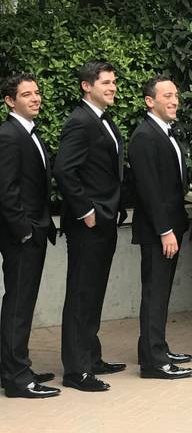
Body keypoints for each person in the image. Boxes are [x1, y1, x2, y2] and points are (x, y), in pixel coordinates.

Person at [54, 61, 127, 392]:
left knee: (94, 292)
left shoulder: (103, 119)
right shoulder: (80, 121)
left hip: (105, 220)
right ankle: (76, 370)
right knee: (82, 294)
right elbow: (64, 170)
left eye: (113, 82)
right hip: (88, 223)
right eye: (106, 82)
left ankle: (91, 356)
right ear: (87, 86)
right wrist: (86, 211)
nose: (112, 87)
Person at [127, 76, 192, 379]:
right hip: (159, 230)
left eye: (176, 95)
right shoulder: (144, 136)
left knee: (161, 292)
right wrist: (165, 230)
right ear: (149, 101)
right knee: (154, 293)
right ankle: (154, 362)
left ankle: (155, 348)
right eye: (167, 95)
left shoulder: (168, 133)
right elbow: (149, 189)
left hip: (171, 226)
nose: (174, 100)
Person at [0, 74, 59, 398]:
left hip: (33, 231)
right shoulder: (9, 135)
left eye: (37, 92)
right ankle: (17, 378)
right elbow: (6, 192)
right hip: (21, 236)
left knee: (21, 303)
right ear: (10, 101)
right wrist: (24, 232)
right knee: (19, 305)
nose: (36, 98)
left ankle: (13, 366)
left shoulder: (28, 132)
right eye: (27, 94)